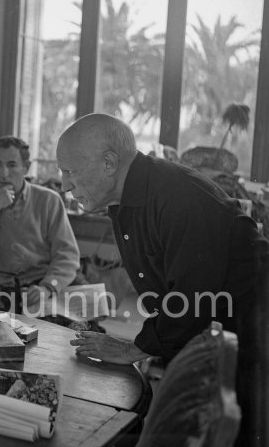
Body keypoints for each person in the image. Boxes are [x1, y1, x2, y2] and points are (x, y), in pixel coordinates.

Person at [57, 113, 267, 442]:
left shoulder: (177, 195)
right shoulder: (125, 201)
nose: (65, 185)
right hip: (213, 333)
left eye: (70, 171)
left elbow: (194, 297)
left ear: (109, 163)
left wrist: (135, 349)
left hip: (253, 333)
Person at [0, 136, 81, 309]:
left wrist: (47, 287)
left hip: (42, 283)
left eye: (11, 165)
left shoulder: (49, 200)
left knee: (88, 308)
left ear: (26, 167)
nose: (3, 173)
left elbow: (67, 255)